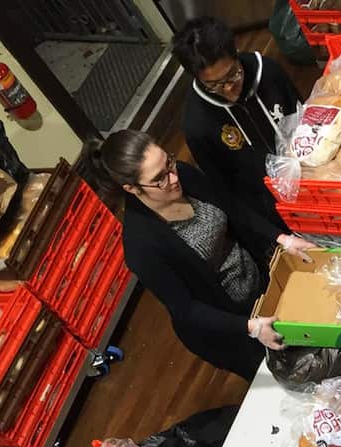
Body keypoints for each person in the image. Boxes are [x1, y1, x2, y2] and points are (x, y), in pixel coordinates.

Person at [88, 129, 316, 380]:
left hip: (258, 284)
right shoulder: (141, 246)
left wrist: (281, 238)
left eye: (169, 163)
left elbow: (231, 206)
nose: (173, 177)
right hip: (229, 327)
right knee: (293, 377)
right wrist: (250, 327)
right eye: (159, 179)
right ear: (131, 188)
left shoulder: (183, 175)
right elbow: (186, 309)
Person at [172, 16, 298, 230]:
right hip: (268, 208)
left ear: (236, 53)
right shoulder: (198, 124)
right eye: (214, 84)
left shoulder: (267, 71)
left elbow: (303, 116)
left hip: (309, 176)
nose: (229, 88)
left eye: (232, 75)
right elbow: (226, 191)